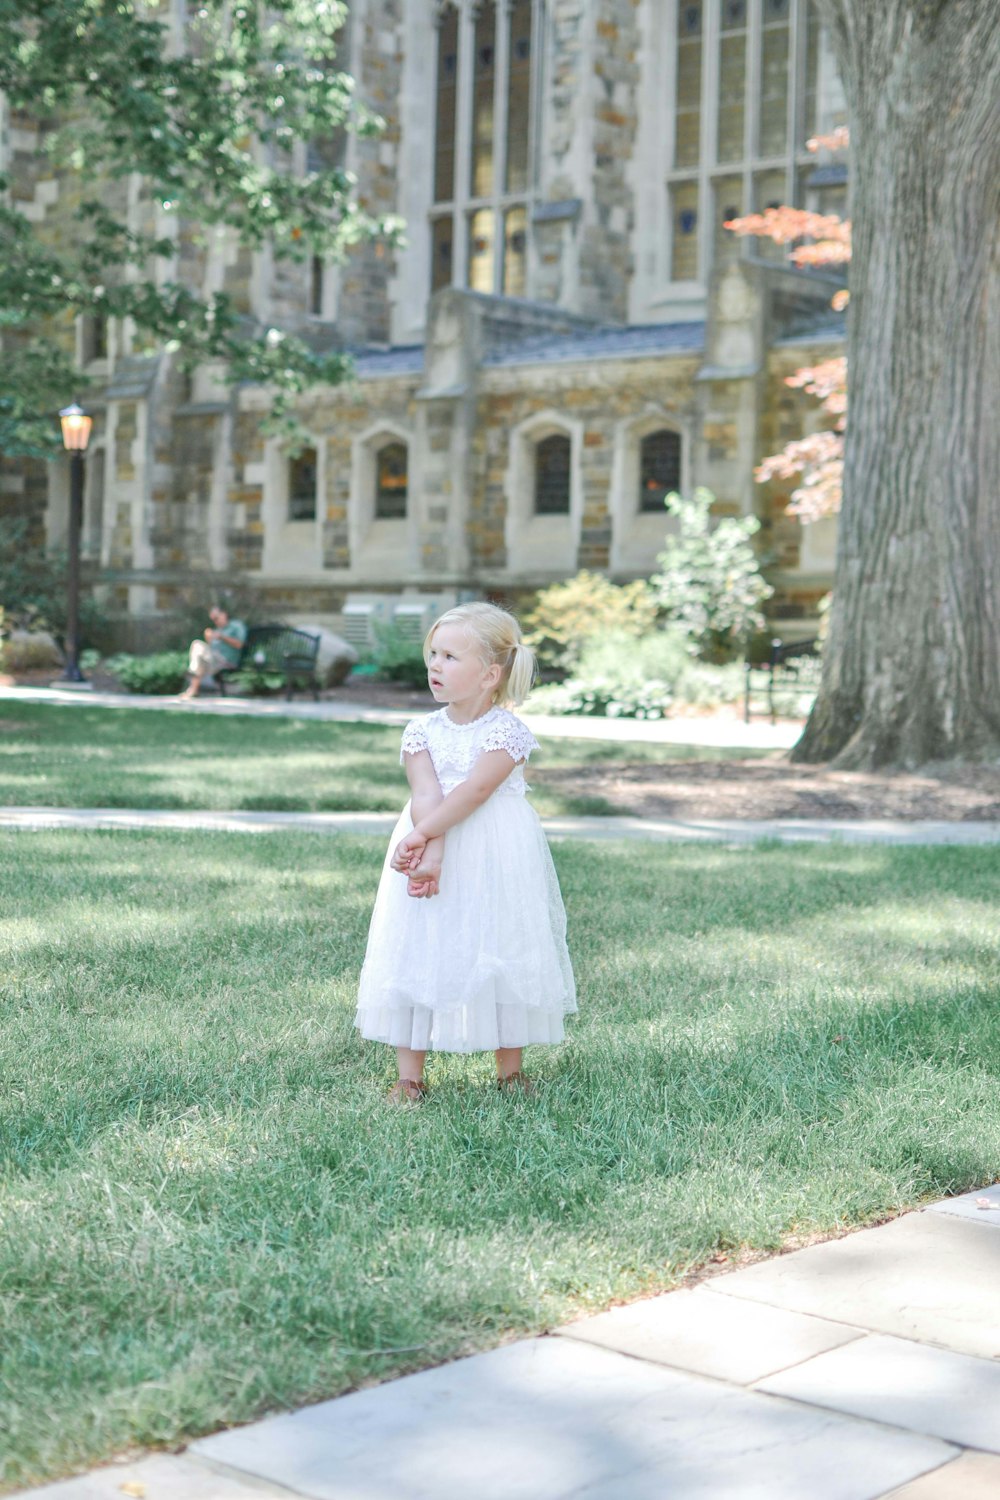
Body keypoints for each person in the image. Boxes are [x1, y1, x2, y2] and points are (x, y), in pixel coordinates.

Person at [354, 601, 576, 1103]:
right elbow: (428, 795)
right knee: (420, 941)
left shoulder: (507, 733)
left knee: (501, 941)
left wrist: (422, 839)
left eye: (451, 657)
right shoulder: (421, 731)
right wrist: (427, 850)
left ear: (489, 674)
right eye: (433, 653)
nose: (435, 665)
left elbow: (474, 794)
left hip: (493, 850)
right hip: (429, 831)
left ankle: (510, 1070)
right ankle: (409, 1074)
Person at [180, 604, 246, 699]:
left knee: (197, 645)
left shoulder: (236, 626)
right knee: (198, 652)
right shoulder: (217, 630)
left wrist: (222, 637)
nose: (215, 621)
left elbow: (240, 644)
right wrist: (208, 639)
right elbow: (211, 649)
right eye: (213, 619)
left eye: (216, 618)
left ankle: (192, 683)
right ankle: (193, 688)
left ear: (224, 614)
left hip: (226, 661)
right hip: (213, 662)